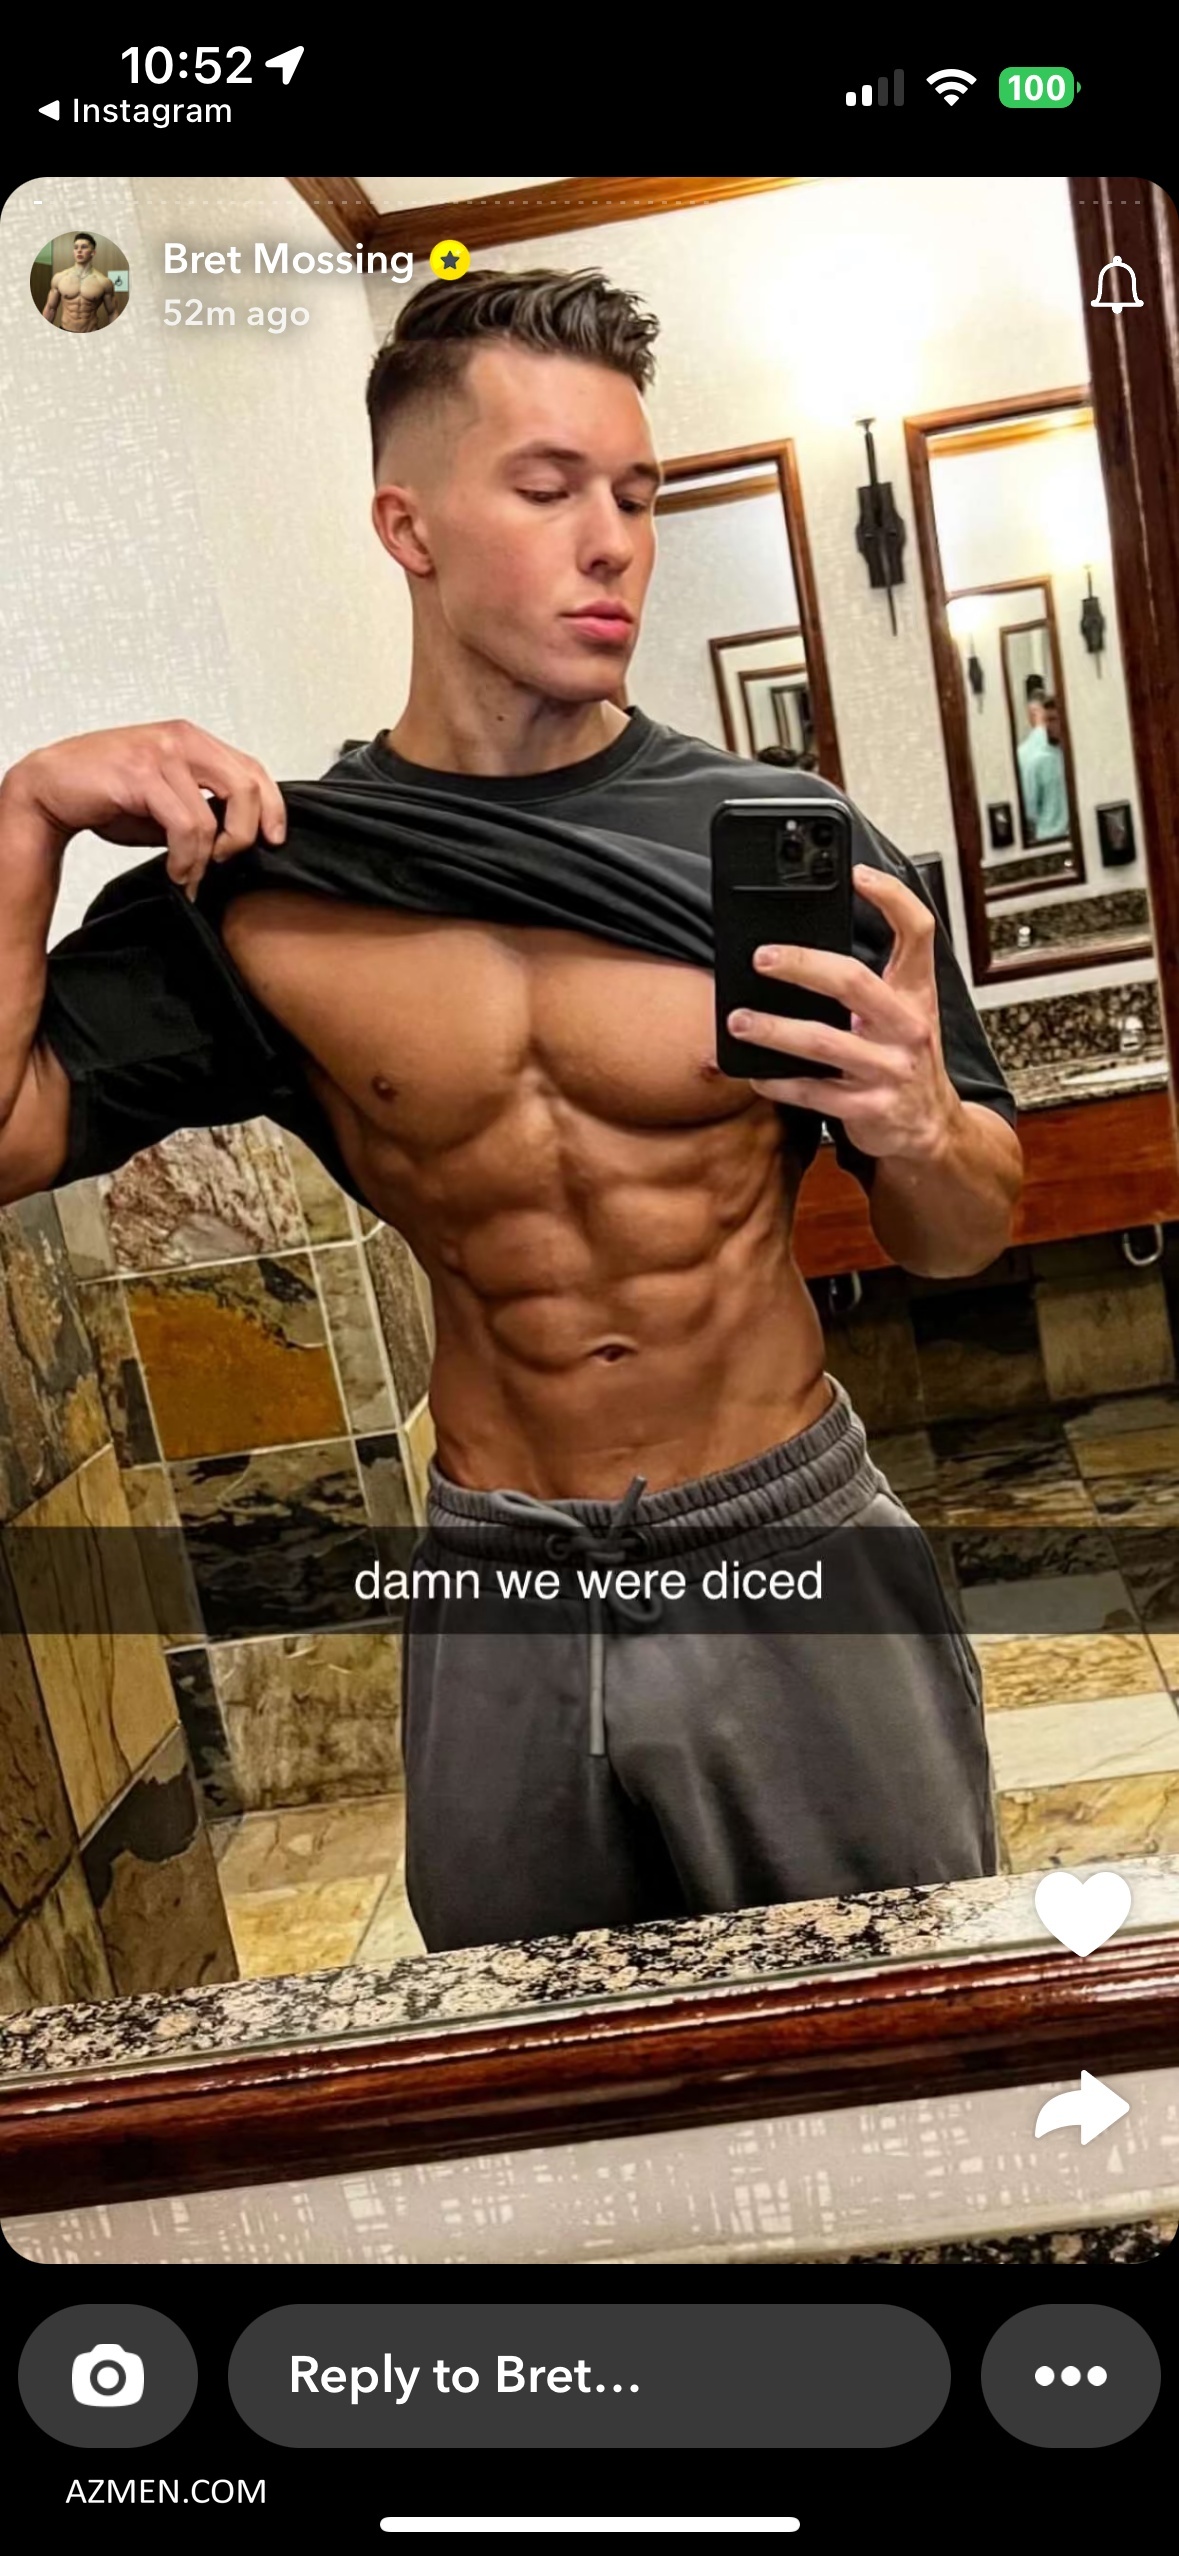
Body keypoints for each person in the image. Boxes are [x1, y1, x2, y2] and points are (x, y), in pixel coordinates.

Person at [0, 268, 1023, 1953]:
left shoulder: (781, 844)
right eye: (547, 490)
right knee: (530, 2048)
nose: (610, 542)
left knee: (899, 2019)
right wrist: (27, 813)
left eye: (636, 495)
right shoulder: (281, 889)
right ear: (404, 525)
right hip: (499, 1564)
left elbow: (960, 1239)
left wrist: (920, 1126)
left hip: (778, 1523)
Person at [1016, 683, 1069, 842]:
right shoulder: (1038, 762)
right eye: (1046, 720)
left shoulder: (1074, 758)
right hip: (1048, 838)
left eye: (1053, 720)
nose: (1048, 726)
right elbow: (1029, 813)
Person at [43, 234, 116, 333]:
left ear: (93, 252)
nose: (79, 250)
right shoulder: (59, 278)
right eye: (76, 247)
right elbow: (50, 308)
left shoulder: (104, 282)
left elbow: (112, 312)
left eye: (84, 247)